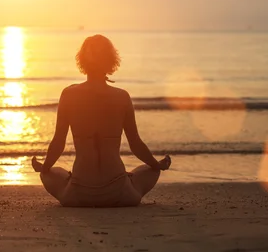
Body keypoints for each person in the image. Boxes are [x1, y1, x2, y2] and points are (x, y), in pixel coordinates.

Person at [32, 34, 171, 207]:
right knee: (150, 171)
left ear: (82, 60)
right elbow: (135, 144)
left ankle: (67, 178)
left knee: (51, 173)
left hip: (78, 194)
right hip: (120, 193)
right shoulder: (122, 96)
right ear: (111, 60)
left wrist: (44, 167)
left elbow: (58, 142)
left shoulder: (69, 94)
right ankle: (131, 178)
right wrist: (156, 164)